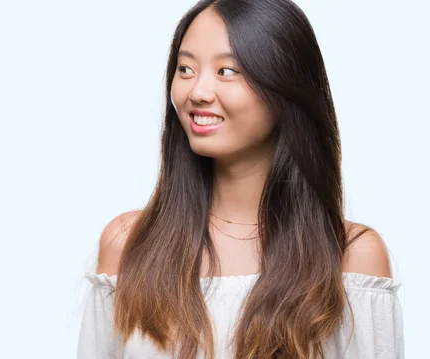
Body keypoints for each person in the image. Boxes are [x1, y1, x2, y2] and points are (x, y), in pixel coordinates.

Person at [77, 0, 404, 358]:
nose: (198, 92)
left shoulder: (351, 257)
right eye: (185, 69)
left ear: (284, 87)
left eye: (227, 71)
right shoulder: (128, 246)